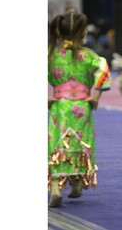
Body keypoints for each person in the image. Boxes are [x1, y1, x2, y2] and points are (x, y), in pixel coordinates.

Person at [48, 11, 111, 207]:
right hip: (83, 107)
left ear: (58, 31)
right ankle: (76, 185)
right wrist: (96, 96)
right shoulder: (89, 56)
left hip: (60, 107)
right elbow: (103, 69)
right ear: (83, 34)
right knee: (80, 144)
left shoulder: (51, 54)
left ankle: (56, 187)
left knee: (58, 144)